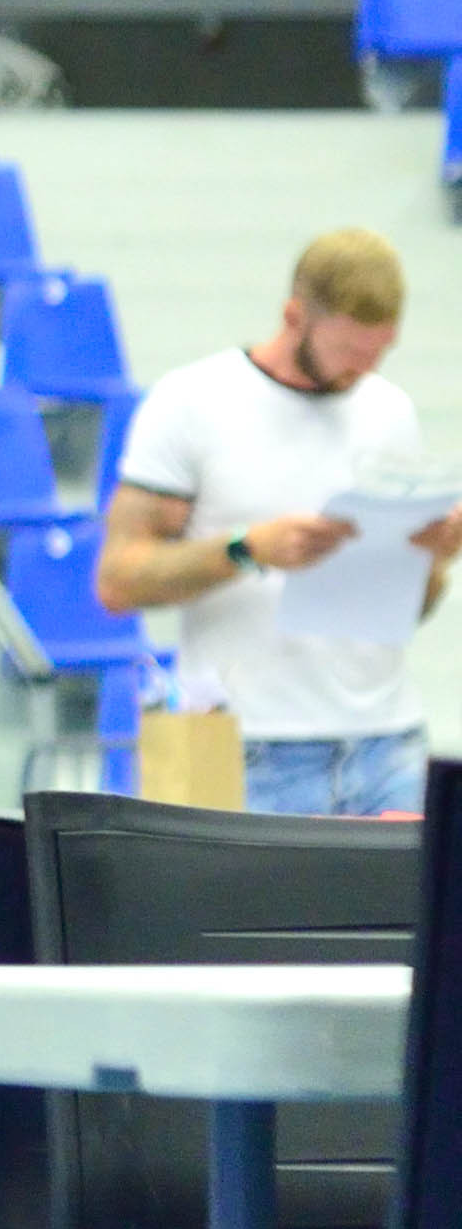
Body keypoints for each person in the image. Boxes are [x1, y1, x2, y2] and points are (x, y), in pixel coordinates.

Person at [100, 228, 462, 816]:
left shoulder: (388, 408)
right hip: (250, 746)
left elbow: (407, 609)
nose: (363, 369)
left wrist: (432, 556)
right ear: (294, 317)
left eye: (378, 352)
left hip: (387, 740)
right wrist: (247, 549)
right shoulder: (192, 402)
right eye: (348, 351)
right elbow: (117, 580)